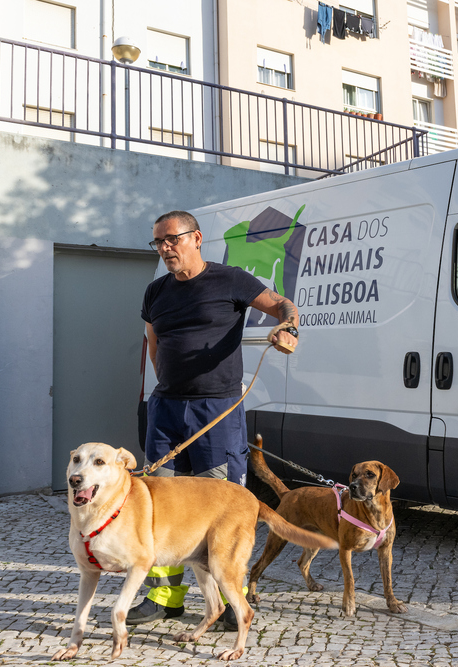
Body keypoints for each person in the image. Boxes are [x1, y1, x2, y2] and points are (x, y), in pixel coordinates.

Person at [128, 210, 299, 625]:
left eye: (171, 239)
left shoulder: (231, 280)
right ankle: (165, 597)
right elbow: (153, 341)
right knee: (159, 504)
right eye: (158, 243)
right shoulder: (155, 292)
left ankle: (230, 599)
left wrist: (289, 325)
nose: (165, 248)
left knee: (221, 503)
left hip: (216, 410)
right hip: (166, 408)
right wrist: (164, 387)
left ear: (196, 238)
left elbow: (279, 304)